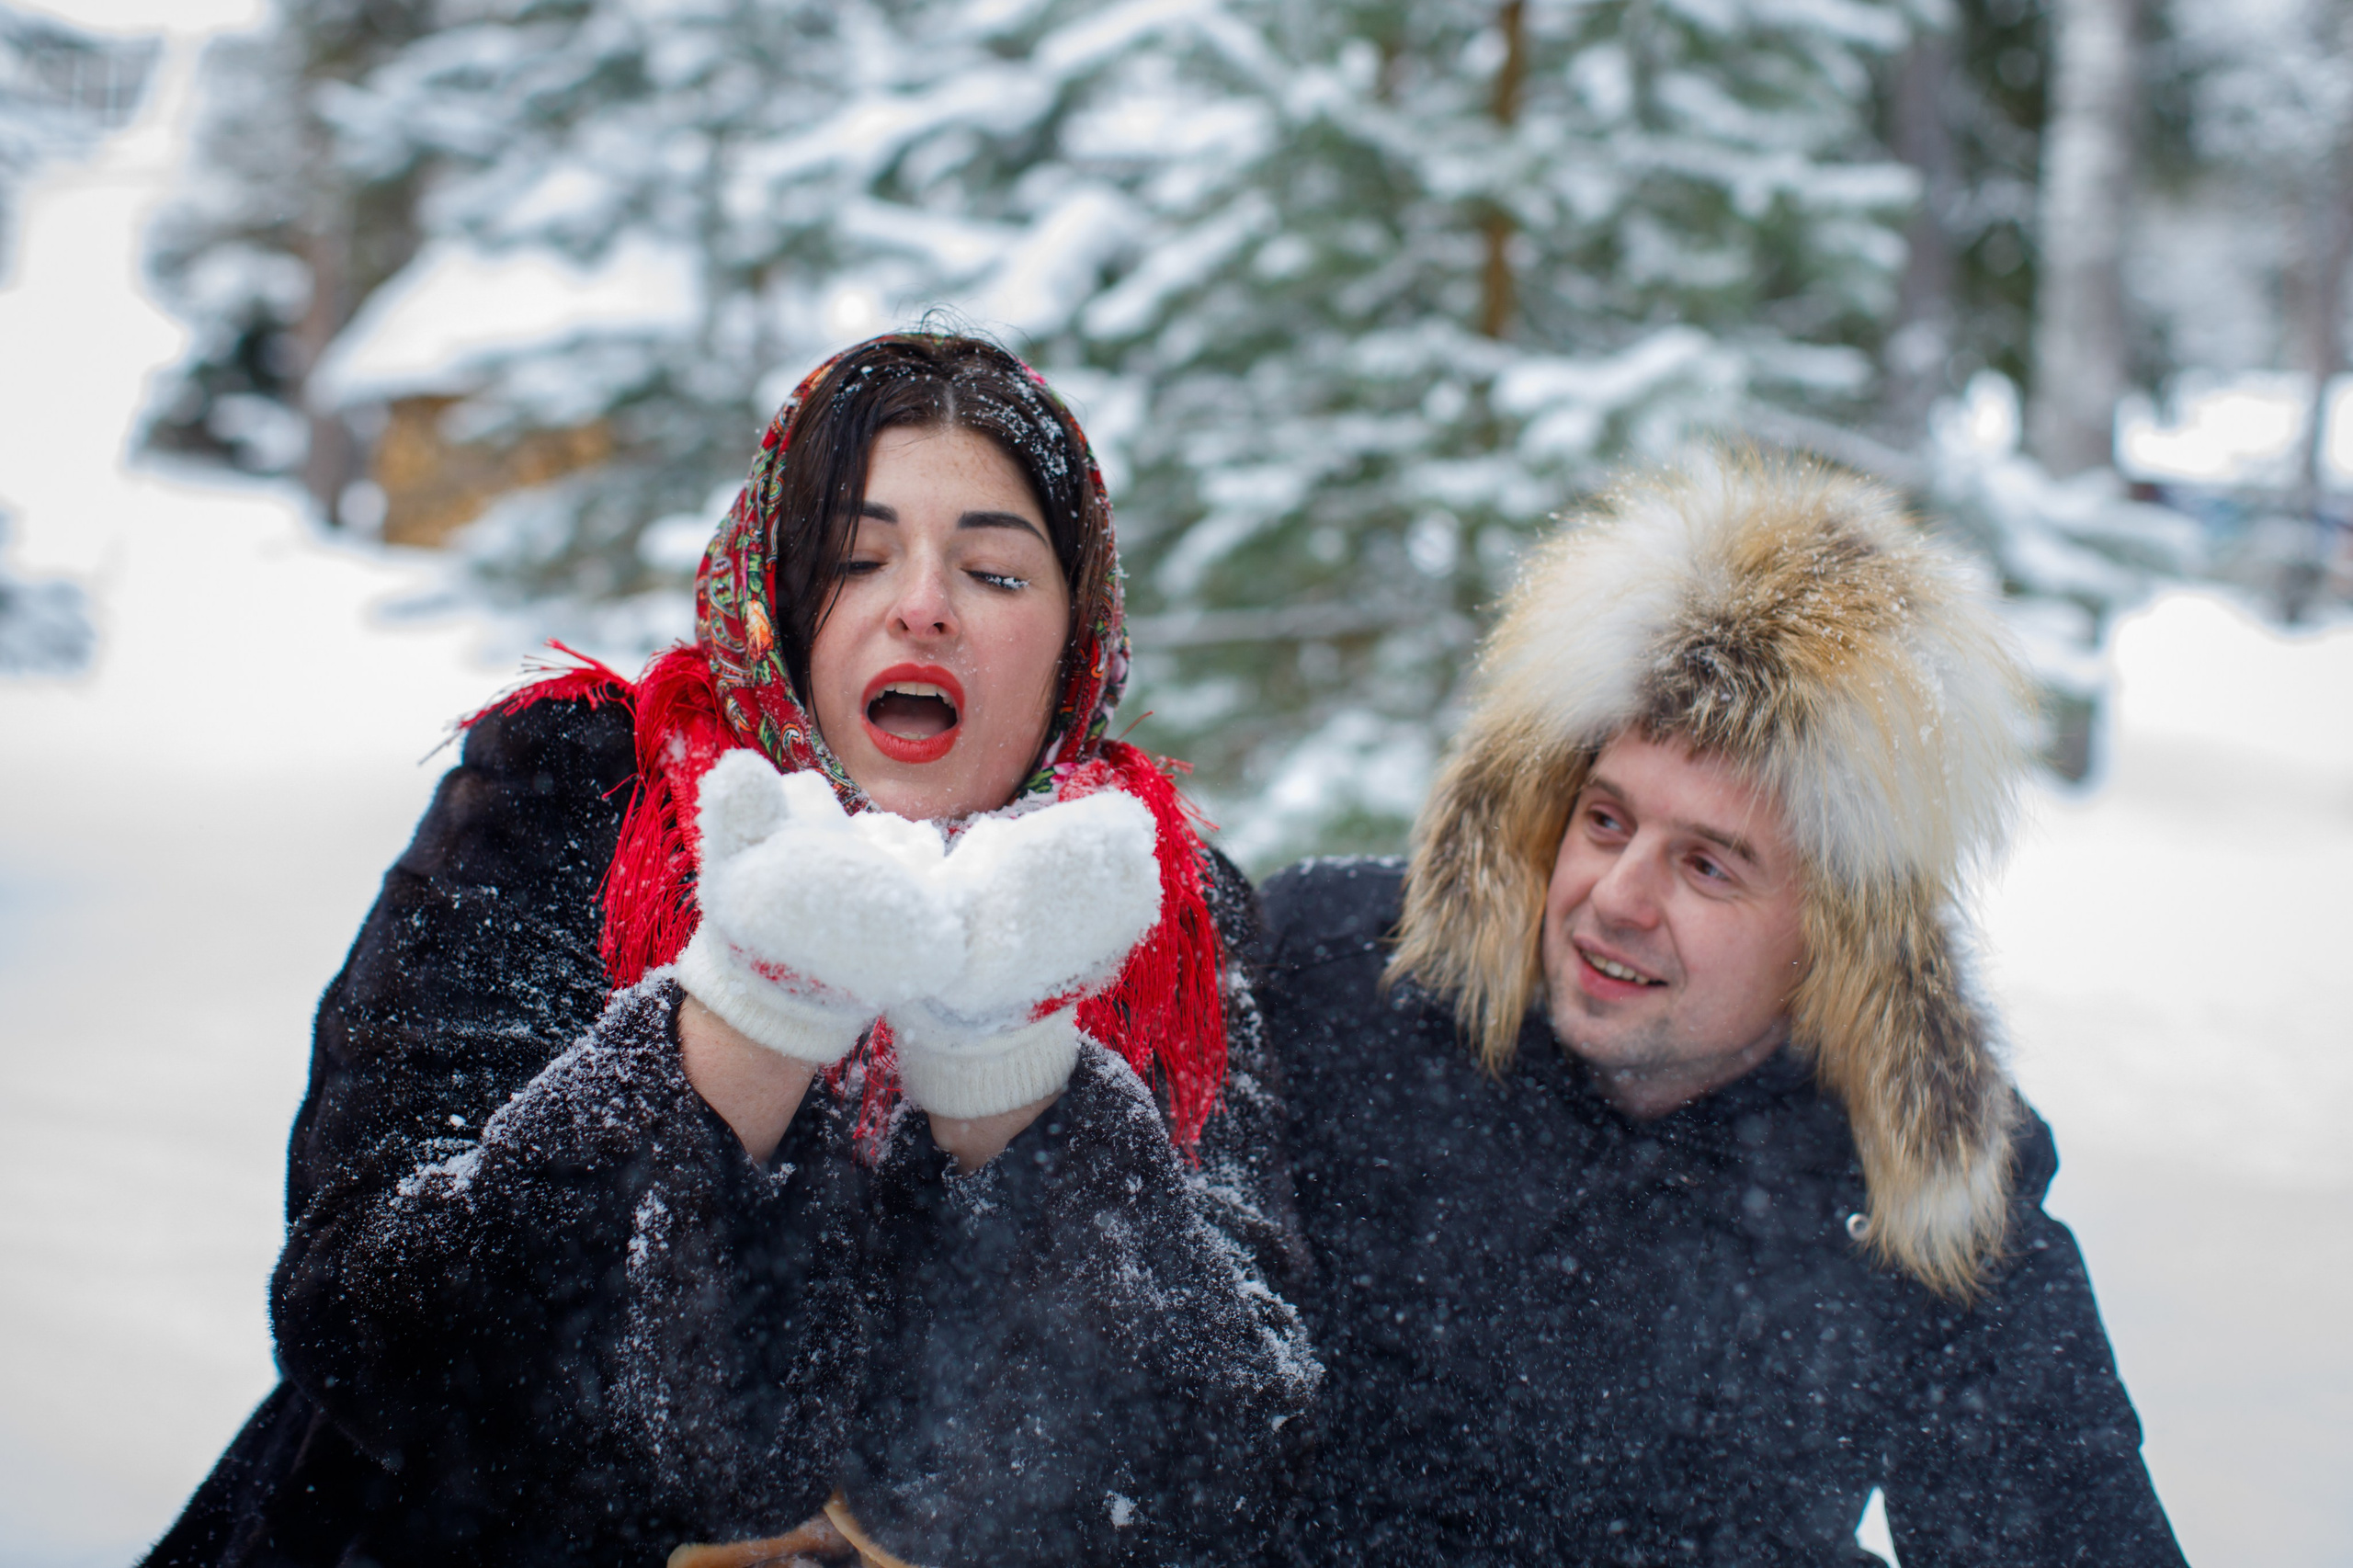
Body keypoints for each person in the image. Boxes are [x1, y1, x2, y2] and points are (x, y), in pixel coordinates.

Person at [143, 333, 1317, 1568]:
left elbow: (1232, 1455)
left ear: (1079, 631)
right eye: (857, 556)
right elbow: (374, 1322)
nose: (922, 601)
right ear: (778, 598)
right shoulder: (576, 799)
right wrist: (741, 1023)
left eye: (995, 570)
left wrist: (1010, 1081)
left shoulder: (1160, 908)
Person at [1255, 453, 2187, 1564]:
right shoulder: (1335, 979)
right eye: (1605, 821)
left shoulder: (1904, 1178)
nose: (1618, 897)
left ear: (1828, 935)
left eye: (1707, 866)